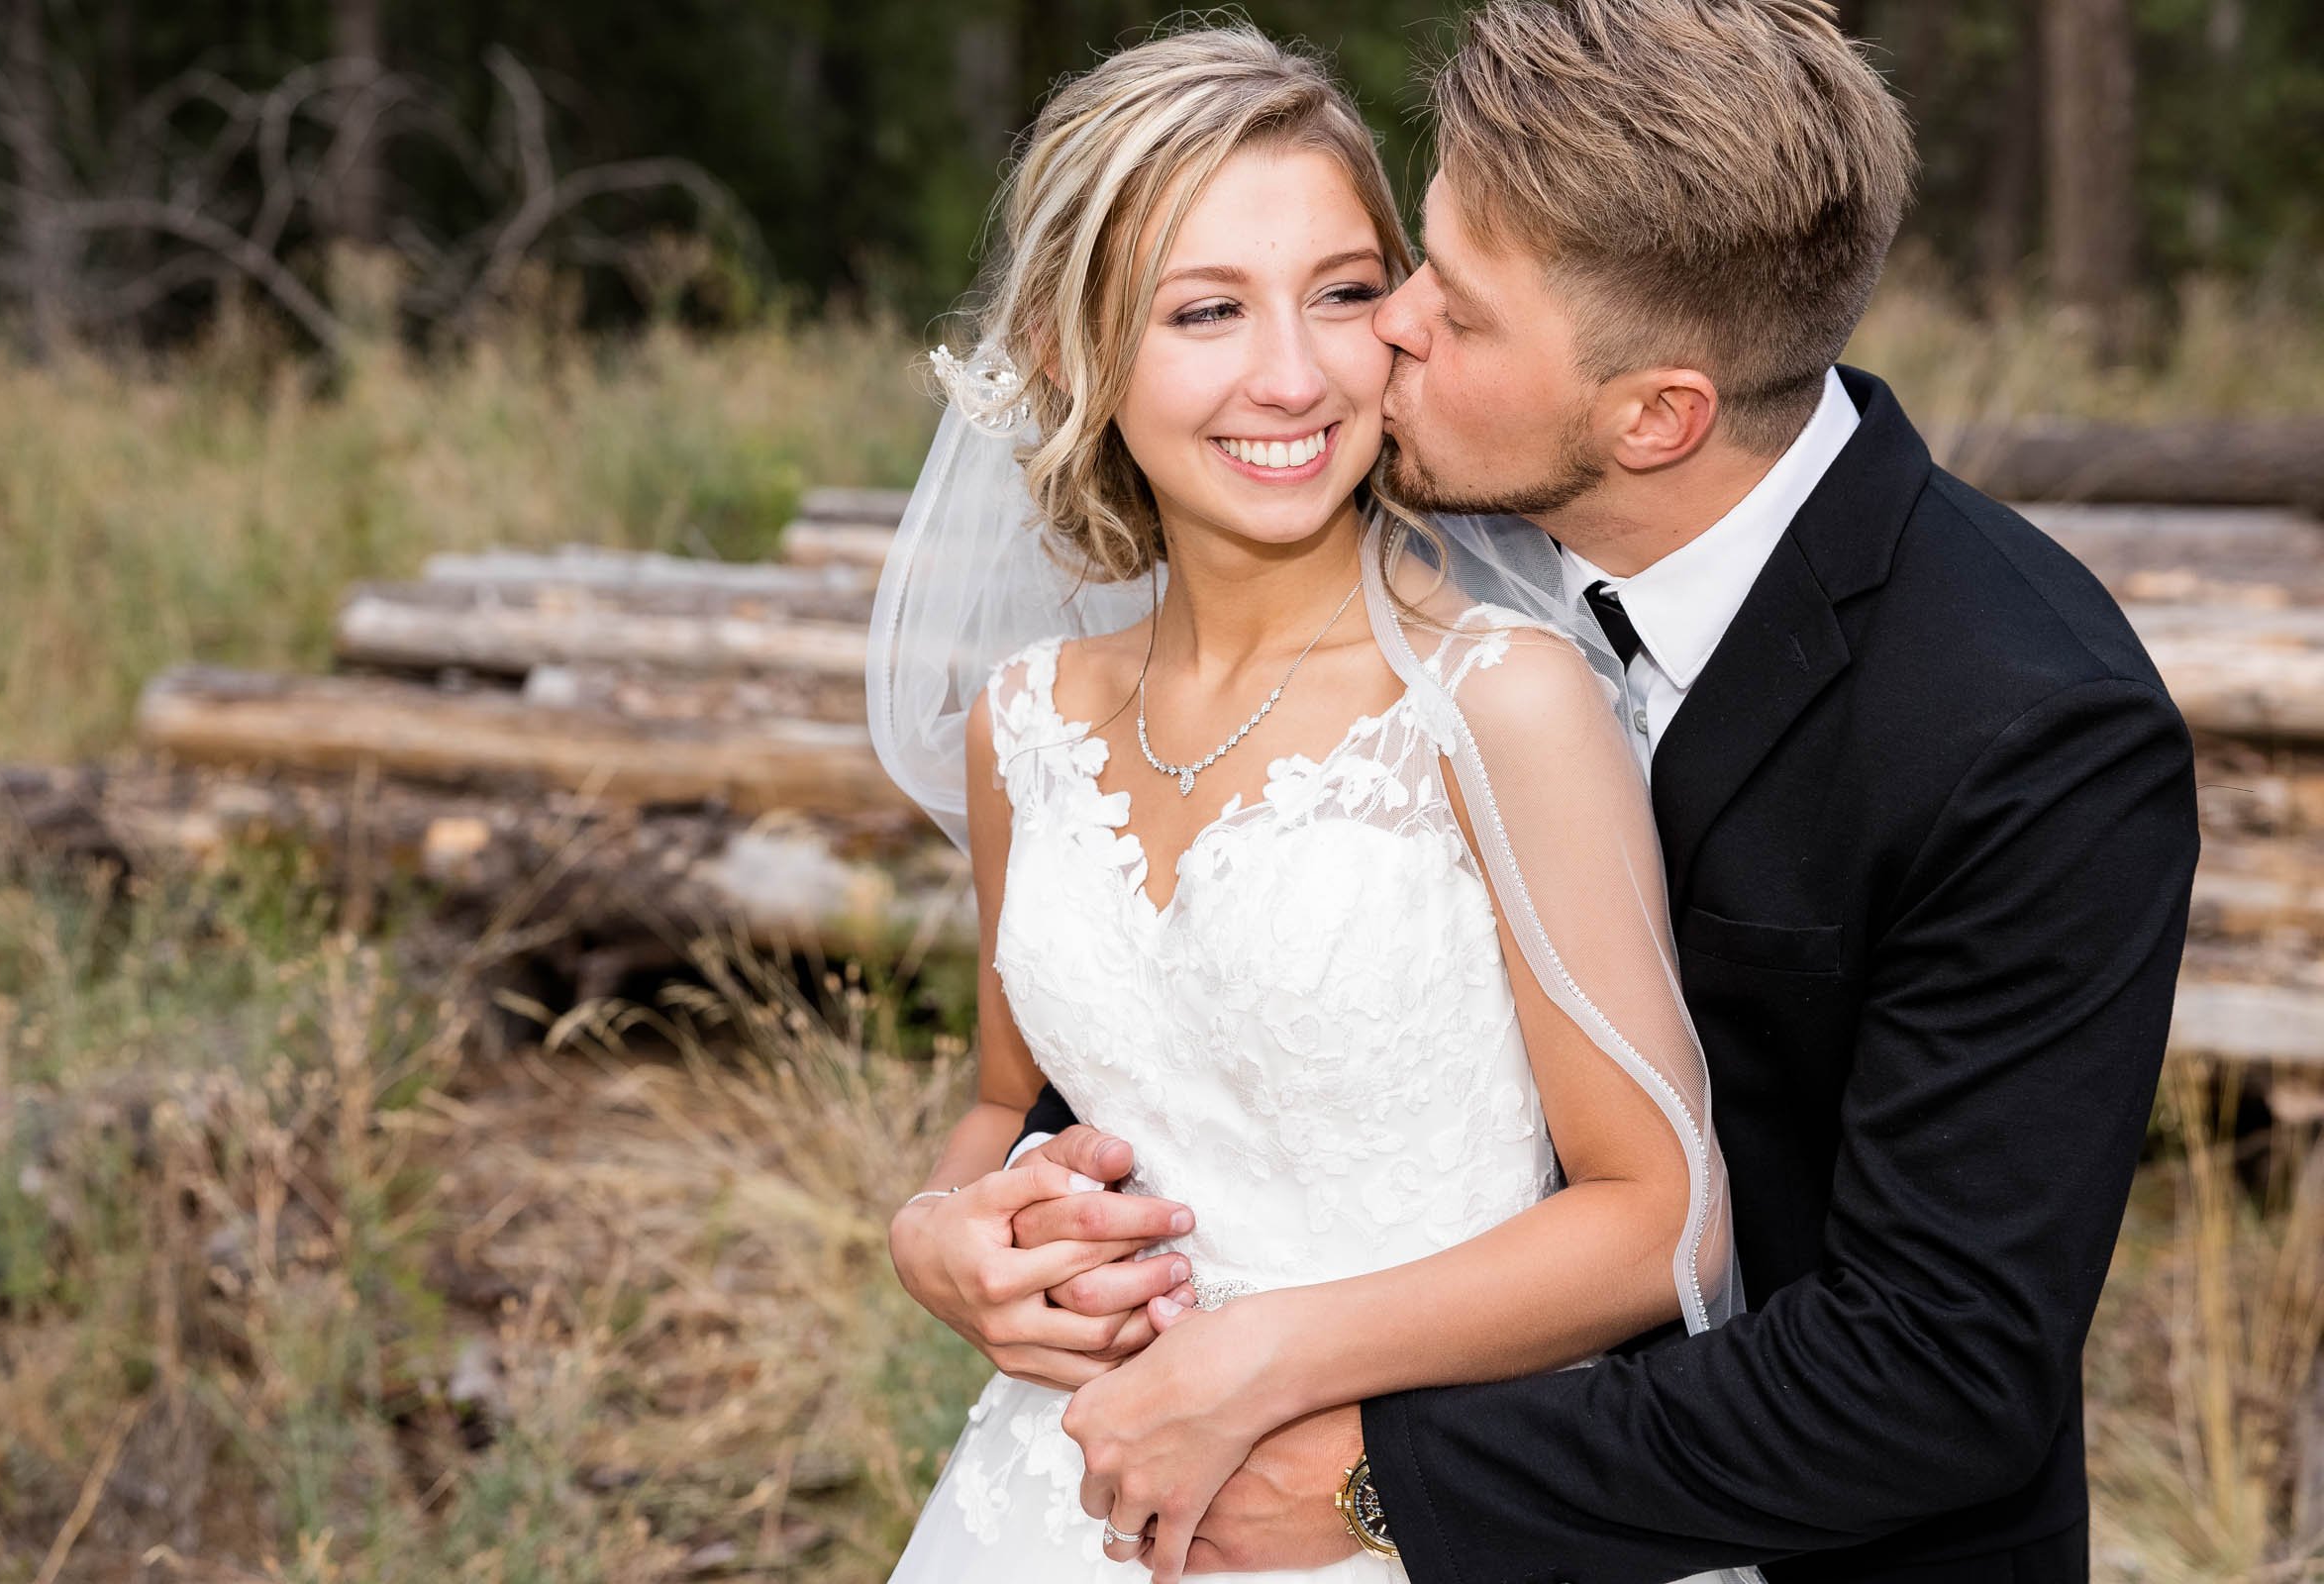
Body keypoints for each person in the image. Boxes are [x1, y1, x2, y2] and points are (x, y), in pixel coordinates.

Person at [920, 3, 2201, 1581]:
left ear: (1653, 413)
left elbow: (1935, 1369)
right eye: (1411, 265)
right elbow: (1178, 1030)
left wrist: (1371, 1483)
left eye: (1423, 304)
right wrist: (947, 1231)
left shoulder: (2025, 728)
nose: (1363, 344)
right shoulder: (1338, 545)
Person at [868, 21, 1752, 1584]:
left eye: (1345, 293)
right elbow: (1015, 1103)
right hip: (1072, 1500)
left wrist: (1266, 1363)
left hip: (1395, 1504)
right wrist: (943, 1232)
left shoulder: (1496, 700)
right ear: (1075, 356)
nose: (1294, 373)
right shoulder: (1029, 724)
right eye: (1206, 310)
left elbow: (1662, 1217)